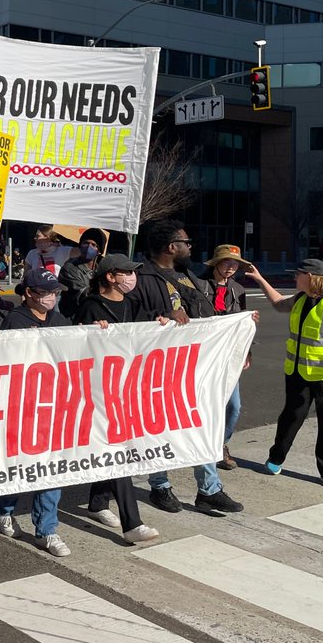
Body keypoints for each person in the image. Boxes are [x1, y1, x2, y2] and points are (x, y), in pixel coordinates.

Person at [130, 219, 243, 515]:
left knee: (202, 422)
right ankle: (160, 486)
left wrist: (235, 326)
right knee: (160, 428)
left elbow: (204, 313)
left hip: (193, 366)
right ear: (171, 247)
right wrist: (164, 314)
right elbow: (129, 320)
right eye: (186, 243)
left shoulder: (186, 274)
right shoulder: (141, 277)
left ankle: (209, 489)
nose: (189, 247)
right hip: (159, 369)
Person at [72, 253, 161, 544]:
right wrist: (89, 334)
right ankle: (132, 523)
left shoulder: (134, 304)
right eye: (126, 272)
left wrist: (164, 322)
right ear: (110, 277)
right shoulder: (90, 307)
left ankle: (98, 503)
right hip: (97, 391)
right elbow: (74, 347)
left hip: (125, 388)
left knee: (112, 446)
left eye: (133, 273)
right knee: (115, 450)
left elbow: (146, 334)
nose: (132, 278)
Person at [246, 259, 323, 489]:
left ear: (311, 277)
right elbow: (277, 303)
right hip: (298, 372)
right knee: (291, 417)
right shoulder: (301, 299)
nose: (295, 278)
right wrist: (259, 279)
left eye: (298, 274)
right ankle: (276, 458)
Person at [0, 269, 74, 556]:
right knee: (18, 464)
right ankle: (3, 508)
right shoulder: (14, 321)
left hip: (53, 406)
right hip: (22, 406)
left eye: (54, 292)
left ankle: (46, 530)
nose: (51, 297)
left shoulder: (59, 320)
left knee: (51, 468)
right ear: (28, 293)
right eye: (44, 292)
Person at [202, 244, 253, 470]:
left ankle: (221, 444)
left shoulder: (238, 290)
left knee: (233, 406)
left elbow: (243, 324)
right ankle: (201, 446)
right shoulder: (199, 286)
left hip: (229, 357)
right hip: (203, 357)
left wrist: (247, 351)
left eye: (235, 264)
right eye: (226, 262)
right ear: (215, 263)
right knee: (202, 405)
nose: (231, 267)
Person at [57, 228, 106, 317]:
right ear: (80, 246)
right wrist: (109, 293)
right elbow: (83, 294)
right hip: (73, 316)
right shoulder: (69, 268)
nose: (88, 247)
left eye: (93, 245)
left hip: (94, 314)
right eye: (85, 243)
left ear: (99, 251)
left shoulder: (101, 269)